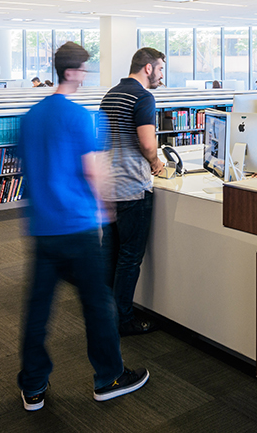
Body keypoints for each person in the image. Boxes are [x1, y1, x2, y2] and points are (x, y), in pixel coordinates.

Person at [16, 41, 149, 412]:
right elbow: (94, 171)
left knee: (38, 309)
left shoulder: (30, 116)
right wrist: (106, 211)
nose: (86, 75)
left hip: (42, 227)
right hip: (77, 226)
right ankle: (109, 378)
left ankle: (33, 386)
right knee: (97, 305)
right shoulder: (80, 118)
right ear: (72, 72)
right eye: (84, 69)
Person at [101, 47, 165, 336]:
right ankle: (123, 320)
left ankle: (104, 313)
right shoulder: (143, 97)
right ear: (148, 68)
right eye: (161, 69)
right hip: (133, 187)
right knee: (129, 257)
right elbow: (148, 143)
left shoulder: (110, 94)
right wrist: (156, 162)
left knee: (110, 253)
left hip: (110, 183)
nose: (162, 75)